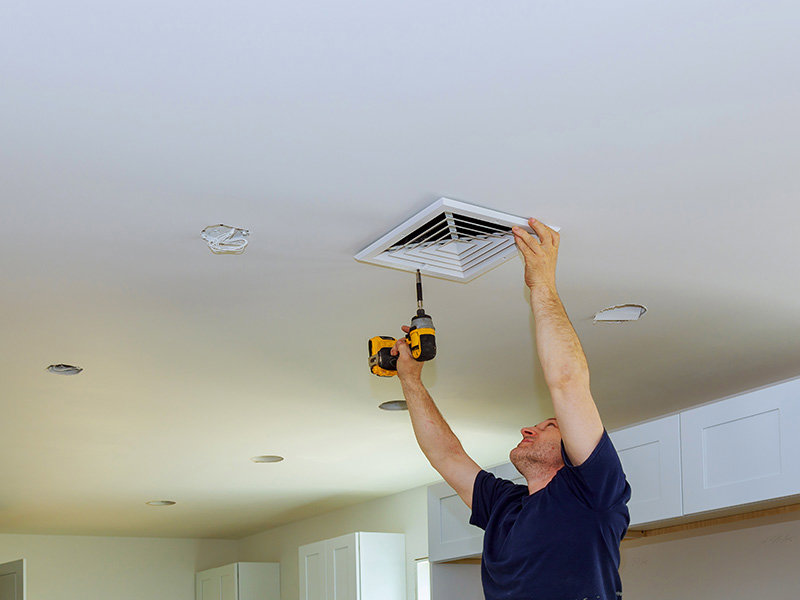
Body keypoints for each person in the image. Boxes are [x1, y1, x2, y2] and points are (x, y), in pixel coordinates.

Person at [391, 218, 631, 600]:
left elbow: (567, 383)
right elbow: (445, 455)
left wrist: (543, 285)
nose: (527, 429)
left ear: (573, 449)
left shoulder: (592, 492)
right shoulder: (504, 506)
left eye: (549, 425)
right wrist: (411, 381)